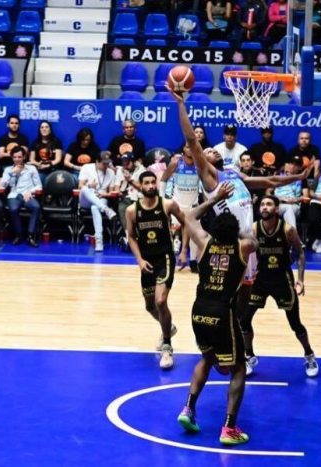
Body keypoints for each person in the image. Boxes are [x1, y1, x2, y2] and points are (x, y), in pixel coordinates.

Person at [170, 85, 309, 323]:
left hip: (248, 240)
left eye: (213, 150)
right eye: (208, 151)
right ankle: (222, 325)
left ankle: (238, 327)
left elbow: (271, 180)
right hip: (231, 242)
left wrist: (297, 177)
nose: (212, 151)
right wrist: (181, 104)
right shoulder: (209, 175)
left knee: (247, 293)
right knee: (228, 291)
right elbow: (192, 139)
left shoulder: (234, 173)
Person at [176, 182, 258, 446]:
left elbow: (190, 216)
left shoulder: (204, 242)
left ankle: (188, 408)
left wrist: (214, 199)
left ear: (213, 230)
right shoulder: (242, 247)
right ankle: (229, 428)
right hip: (223, 313)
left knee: (207, 358)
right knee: (239, 368)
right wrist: (238, 226)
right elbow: (254, 240)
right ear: (233, 232)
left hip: (199, 311)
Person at [242, 194, 318, 377]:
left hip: (282, 279)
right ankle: (249, 355)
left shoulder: (287, 229)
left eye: (269, 204)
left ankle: (309, 355)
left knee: (295, 323)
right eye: (262, 204)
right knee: (244, 320)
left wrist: (300, 279)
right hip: (260, 279)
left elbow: (300, 254)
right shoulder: (254, 228)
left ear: (276, 209)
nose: (264, 207)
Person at [125, 171, 185, 369]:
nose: (151, 186)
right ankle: (169, 327)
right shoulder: (132, 210)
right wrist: (139, 260)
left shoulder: (167, 204)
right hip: (147, 262)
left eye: (153, 182)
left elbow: (186, 223)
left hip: (165, 259)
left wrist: (184, 250)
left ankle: (167, 346)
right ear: (140, 186)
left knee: (160, 301)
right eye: (147, 183)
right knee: (150, 307)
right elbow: (131, 236)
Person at [161, 146, 201, 271]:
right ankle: (167, 260)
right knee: (170, 233)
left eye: (192, 147)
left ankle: (193, 261)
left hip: (193, 205)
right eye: (188, 147)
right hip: (177, 205)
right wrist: (161, 200)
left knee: (194, 235)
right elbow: (163, 179)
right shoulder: (176, 163)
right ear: (184, 148)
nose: (190, 149)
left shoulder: (200, 163)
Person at [0, 146, 41, 248]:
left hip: (27, 195)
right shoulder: (8, 170)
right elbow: (2, 186)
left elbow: (39, 186)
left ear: (24, 157)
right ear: (12, 157)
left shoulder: (31, 168)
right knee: (13, 209)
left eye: (19, 157)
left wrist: (31, 191)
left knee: (36, 207)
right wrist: (11, 173)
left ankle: (30, 235)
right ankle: (18, 234)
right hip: (14, 195)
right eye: (15, 157)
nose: (17, 159)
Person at [78, 152, 118, 252]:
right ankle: (106, 209)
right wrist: (90, 186)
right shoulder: (86, 167)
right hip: (87, 197)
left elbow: (110, 192)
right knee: (84, 189)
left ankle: (99, 241)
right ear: (97, 162)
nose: (106, 166)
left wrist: (104, 195)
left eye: (108, 163)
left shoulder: (111, 172)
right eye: (104, 164)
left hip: (101, 197)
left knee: (95, 207)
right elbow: (80, 186)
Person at [269, 155, 308, 229]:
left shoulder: (302, 179)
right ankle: (293, 233)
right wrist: (278, 198)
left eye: (296, 165)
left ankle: (292, 233)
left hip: (294, 205)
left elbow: (306, 196)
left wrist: (295, 200)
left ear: (300, 167)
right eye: (291, 163)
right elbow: (268, 192)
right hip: (278, 204)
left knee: (289, 208)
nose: (292, 166)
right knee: (288, 208)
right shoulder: (278, 175)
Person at [115, 152, 145, 244]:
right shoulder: (120, 170)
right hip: (125, 197)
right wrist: (118, 192)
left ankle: (140, 237)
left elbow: (142, 188)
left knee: (136, 211)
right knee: (122, 208)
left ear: (134, 162)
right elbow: (116, 186)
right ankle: (129, 237)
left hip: (139, 197)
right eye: (123, 164)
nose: (125, 166)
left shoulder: (142, 170)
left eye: (127, 164)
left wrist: (130, 180)